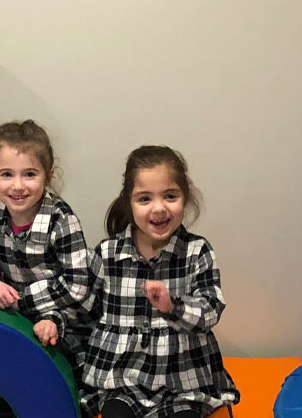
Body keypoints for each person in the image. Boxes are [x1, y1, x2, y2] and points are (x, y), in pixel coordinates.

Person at [80, 146, 239, 418]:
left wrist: (173, 306)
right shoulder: (107, 253)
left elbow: (211, 310)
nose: (159, 208)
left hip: (181, 381)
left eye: (170, 196)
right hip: (123, 380)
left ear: (185, 198)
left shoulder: (196, 251)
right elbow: (85, 312)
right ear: (128, 203)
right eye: (144, 199)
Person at [0, 120, 89, 358]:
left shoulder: (61, 220)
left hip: (63, 310)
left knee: (54, 338)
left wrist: (22, 303)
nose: (18, 185)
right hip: (9, 307)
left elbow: (76, 287)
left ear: (48, 176)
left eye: (29, 174)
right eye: (6, 174)